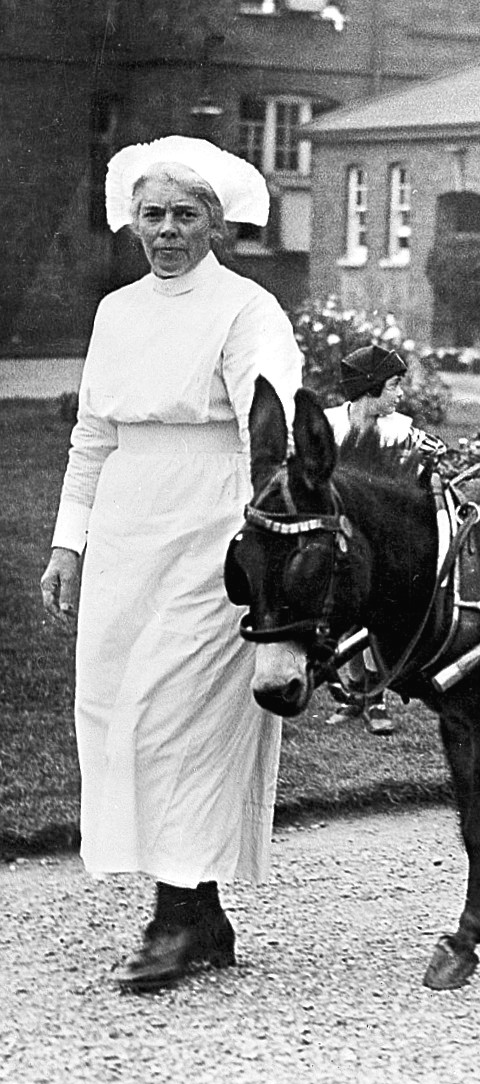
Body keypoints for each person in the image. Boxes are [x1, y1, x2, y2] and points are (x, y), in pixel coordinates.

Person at [37, 134, 304, 989]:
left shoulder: (247, 309)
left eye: (186, 215)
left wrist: (257, 537)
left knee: (181, 717)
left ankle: (172, 918)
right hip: (125, 529)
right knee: (121, 712)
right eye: (152, 215)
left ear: (217, 224)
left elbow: (271, 419)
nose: (167, 231)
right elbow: (92, 435)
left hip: (211, 529)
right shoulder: (116, 311)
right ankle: (204, 914)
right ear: (132, 223)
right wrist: (69, 542)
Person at [321, 344, 446, 737]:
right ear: (370, 387)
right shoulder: (328, 426)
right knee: (345, 611)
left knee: (378, 609)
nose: (399, 395)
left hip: (381, 538)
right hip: (337, 529)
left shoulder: (401, 430)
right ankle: (356, 694)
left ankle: (377, 696)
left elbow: (422, 473)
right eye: (393, 386)